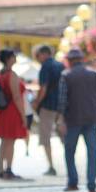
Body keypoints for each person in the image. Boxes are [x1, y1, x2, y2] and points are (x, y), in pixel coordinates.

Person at [57, 48, 96, 192]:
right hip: (91, 118)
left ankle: (73, 182)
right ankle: (92, 185)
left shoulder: (66, 75)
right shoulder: (94, 74)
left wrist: (60, 120)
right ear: (82, 59)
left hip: (72, 119)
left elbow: (62, 101)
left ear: (69, 61)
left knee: (69, 151)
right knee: (92, 153)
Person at [0, 49, 28, 180]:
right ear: (9, 59)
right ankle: (9, 169)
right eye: (13, 56)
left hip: (2, 112)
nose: (15, 58)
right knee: (10, 142)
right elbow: (17, 97)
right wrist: (23, 117)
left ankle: (1, 169)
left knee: (3, 142)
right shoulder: (11, 75)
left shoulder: (0, 74)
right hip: (11, 112)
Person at [31, 44, 63, 175]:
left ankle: (51, 166)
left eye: (37, 56)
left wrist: (36, 103)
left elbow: (43, 88)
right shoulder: (61, 65)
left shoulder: (45, 67)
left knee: (45, 137)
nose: (37, 59)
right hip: (62, 106)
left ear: (43, 54)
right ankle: (69, 163)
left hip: (48, 106)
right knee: (64, 135)